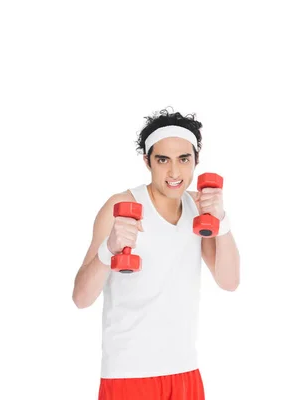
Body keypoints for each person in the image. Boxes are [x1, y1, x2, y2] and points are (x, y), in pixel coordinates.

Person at [72, 109, 241, 400]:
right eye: (163, 160)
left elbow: (229, 281)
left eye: (183, 159)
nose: (174, 173)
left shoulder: (196, 208)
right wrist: (107, 249)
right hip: (129, 374)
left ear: (196, 161)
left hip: (185, 370)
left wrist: (222, 220)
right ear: (147, 161)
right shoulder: (121, 205)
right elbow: (81, 298)